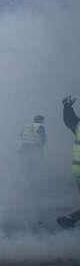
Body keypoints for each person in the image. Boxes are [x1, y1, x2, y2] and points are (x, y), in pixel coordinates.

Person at [56, 96, 80, 229]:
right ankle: (70, 219)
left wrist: (67, 107)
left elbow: (70, 121)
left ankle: (71, 219)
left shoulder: (79, 126)